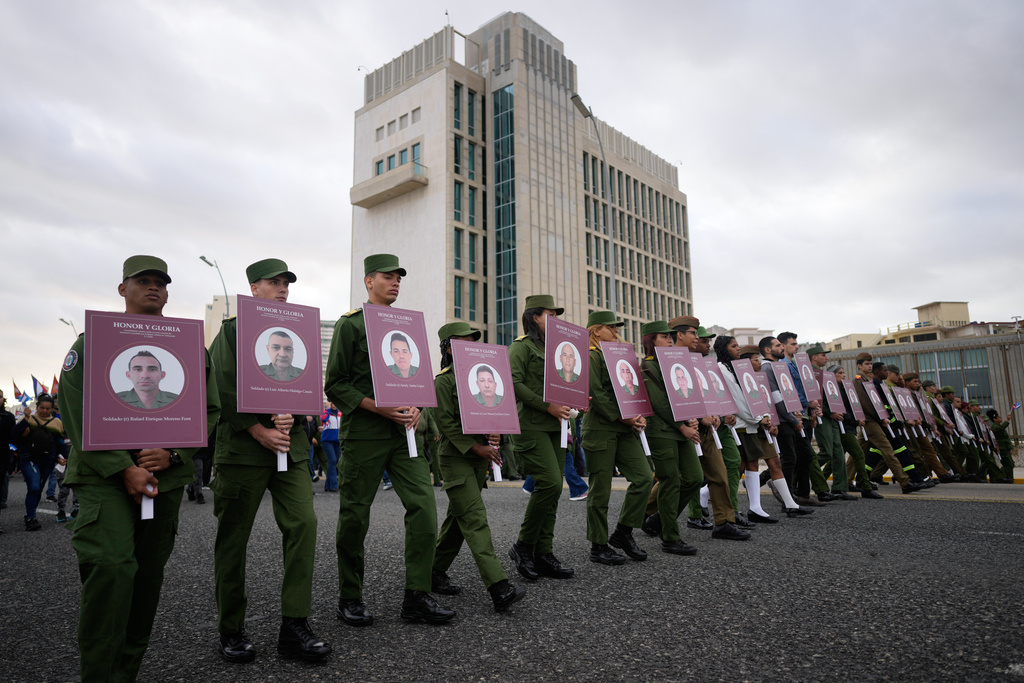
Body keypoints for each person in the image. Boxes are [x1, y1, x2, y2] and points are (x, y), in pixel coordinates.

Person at [60, 255, 221, 682]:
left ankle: (125, 673)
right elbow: (74, 411)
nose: (154, 288)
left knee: (146, 582)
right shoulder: (90, 341)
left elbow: (209, 409)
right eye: (143, 281)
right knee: (112, 570)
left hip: (163, 479)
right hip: (104, 479)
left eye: (161, 283)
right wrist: (122, 467)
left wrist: (173, 455)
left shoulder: (190, 346)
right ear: (122, 289)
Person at [209, 257, 331, 663]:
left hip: (291, 447)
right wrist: (258, 429)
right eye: (274, 283)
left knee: (304, 525)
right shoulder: (233, 330)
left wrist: (297, 413)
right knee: (233, 539)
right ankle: (231, 628)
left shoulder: (298, 333)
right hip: (245, 449)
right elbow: (221, 387)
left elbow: (305, 385)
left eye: (286, 284)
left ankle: (294, 625)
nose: (282, 289)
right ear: (253, 289)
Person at [325, 254, 455, 625]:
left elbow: (416, 379)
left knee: (424, 508)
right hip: (365, 433)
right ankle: (350, 596)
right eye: (388, 276)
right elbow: (335, 384)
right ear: (369, 281)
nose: (395, 282)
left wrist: (417, 407)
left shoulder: (408, 326)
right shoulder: (351, 326)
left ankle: (416, 594)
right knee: (354, 516)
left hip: (406, 436)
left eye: (399, 277)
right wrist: (377, 408)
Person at [431, 322, 527, 612]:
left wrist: (496, 433)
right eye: (463, 341)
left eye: (474, 341)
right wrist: (477, 447)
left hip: (477, 459)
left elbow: (495, 411)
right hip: (456, 457)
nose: (471, 346)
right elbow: (446, 424)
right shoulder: (444, 381)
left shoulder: (483, 379)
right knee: (474, 519)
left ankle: (431, 572)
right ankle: (499, 587)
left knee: (458, 521)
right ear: (448, 347)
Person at [506, 294, 576, 581]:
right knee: (547, 482)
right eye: (550, 314)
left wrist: (576, 399)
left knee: (554, 490)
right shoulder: (520, 348)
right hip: (532, 425)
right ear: (535, 316)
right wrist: (547, 405)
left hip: (557, 427)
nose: (556, 320)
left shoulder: (558, 350)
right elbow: (512, 382)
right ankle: (523, 546)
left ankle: (543, 553)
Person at [583, 311, 653, 564]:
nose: (615, 332)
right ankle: (598, 545)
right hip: (601, 428)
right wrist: (623, 416)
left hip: (624, 428)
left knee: (644, 478)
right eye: (610, 328)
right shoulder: (591, 356)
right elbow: (596, 393)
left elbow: (631, 388)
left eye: (615, 328)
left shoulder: (616, 356)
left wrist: (638, 413)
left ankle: (623, 532)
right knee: (600, 491)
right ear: (595, 331)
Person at [716, 338, 811, 519]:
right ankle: (717, 504)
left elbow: (764, 401)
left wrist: (767, 418)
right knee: (738, 467)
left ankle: (762, 507)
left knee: (758, 464)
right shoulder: (724, 369)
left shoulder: (743, 372)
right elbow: (739, 400)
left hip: (756, 424)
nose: (758, 362)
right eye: (733, 346)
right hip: (744, 425)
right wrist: (761, 419)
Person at [639, 321, 701, 555]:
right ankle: (670, 537)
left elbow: (684, 395)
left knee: (694, 477)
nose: (669, 340)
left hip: (680, 429)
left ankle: (661, 520)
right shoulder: (648, 366)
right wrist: (681, 426)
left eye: (669, 337)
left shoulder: (674, 363)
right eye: (663, 337)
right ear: (650, 340)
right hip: (662, 431)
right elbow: (659, 402)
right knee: (670, 481)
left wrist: (692, 418)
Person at [14, 393, 64, 530]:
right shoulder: (28, 419)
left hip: (48, 460)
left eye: (48, 409)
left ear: (52, 409)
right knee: (34, 487)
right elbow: (14, 435)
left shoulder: (57, 422)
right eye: (42, 408)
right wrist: (25, 419)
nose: (44, 411)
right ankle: (30, 518)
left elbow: (59, 443)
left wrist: (62, 457)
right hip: (29, 458)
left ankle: (31, 514)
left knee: (39, 488)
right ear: (37, 407)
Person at [320, 403, 341, 491]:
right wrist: (328, 409)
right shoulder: (325, 412)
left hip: (337, 441)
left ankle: (327, 485)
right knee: (332, 460)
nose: (334, 405)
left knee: (335, 462)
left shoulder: (340, 413)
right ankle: (334, 485)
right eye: (332, 403)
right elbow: (324, 419)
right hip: (327, 441)